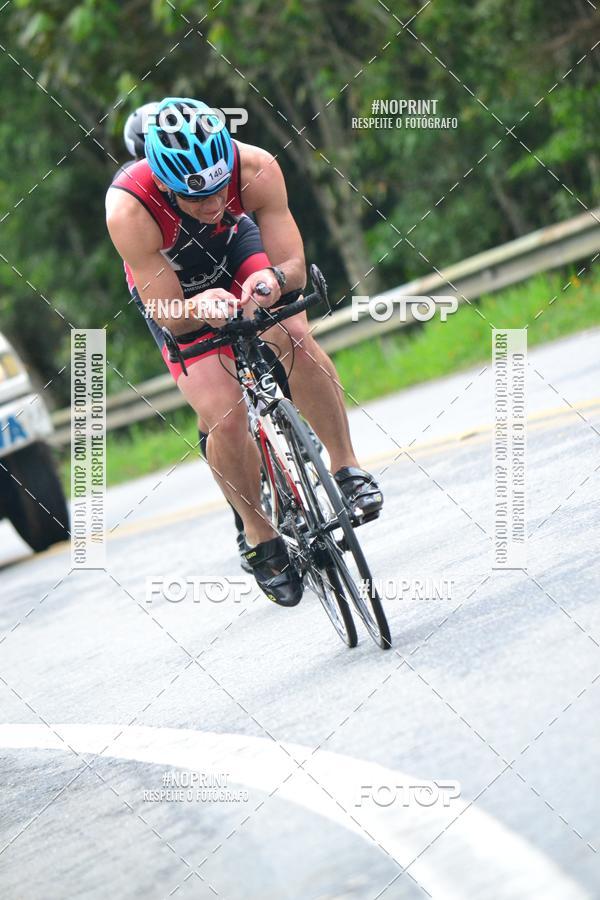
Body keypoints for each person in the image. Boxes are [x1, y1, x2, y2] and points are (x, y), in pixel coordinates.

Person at [106, 96, 383, 608]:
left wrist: (273, 280)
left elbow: (293, 268)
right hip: (176, 288)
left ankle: (346, 467)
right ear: (163, 181)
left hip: (237, 250)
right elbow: (167, 312)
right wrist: (197, 310)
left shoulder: (255, 168)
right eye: (196, 199)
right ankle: (259, 533)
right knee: (225, 414)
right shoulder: (130, 210)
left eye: (218, 189)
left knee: (295, 337)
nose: (212, 205)